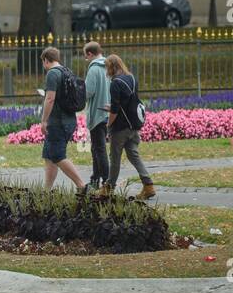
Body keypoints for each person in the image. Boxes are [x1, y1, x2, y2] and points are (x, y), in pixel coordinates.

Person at [99, 54, 156, 200]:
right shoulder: (131, 78)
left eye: (107, 67)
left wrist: (108, 123)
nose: (107, 70)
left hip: (120, 128)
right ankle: (148, 185)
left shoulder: (115, 83)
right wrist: (112, 107)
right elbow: (128, 101)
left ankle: (108, 188)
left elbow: (116, 110)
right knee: (133, 155)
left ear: (111, 67)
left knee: (115, 158)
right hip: (133, 125)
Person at [38, 46, 86, 192]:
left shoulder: (52, 74)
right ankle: (46, 190)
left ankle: (82, 186)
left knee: (58, 156)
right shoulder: (67, 71)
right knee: (49, 155)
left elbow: (50, 98)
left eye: (43, 62)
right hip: (69, 120)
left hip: (58, 122)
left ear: (46, 60)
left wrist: (44, 120)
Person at [83, 41, 110, 188]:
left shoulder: (94, 69)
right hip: (107, 112)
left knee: (99, 149)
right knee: (97, 148)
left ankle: (106, 181)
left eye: (85, 57)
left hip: (97, 113)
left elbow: (88, 92)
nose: (86, 59)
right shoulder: (108, 66)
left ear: (90, 54)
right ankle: (95, 179)